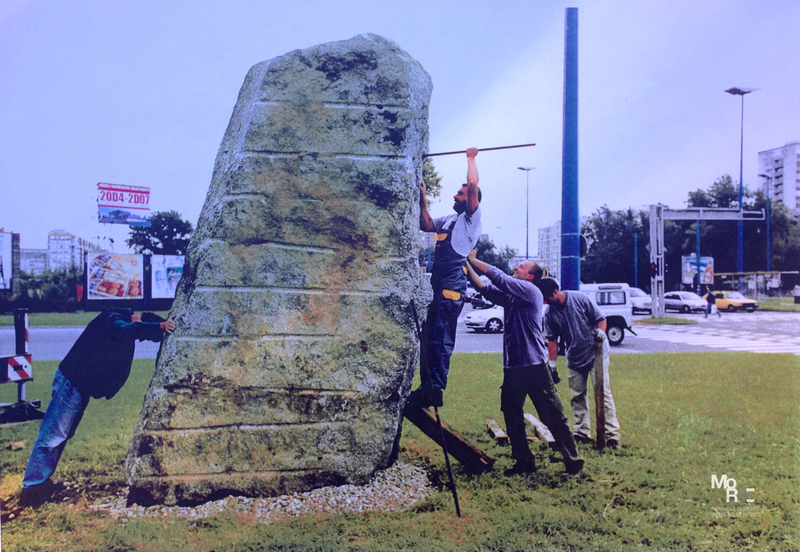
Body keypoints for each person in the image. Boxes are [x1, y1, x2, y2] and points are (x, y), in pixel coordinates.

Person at [19, 308, 176, 508]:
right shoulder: (113, 319)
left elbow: (138, 331)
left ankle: (41, 483)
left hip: (78, 384)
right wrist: (159, 326)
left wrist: (160, 327)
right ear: (134, 317)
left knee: (61, 434)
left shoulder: (122, 322)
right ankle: (31, 489)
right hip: (71, 383)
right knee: (53, 434)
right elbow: (126, 330)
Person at [465, 252, 585, 479]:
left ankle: (574, 464)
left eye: (521, 267)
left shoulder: (531, 292)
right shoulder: (513, 297)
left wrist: (471, 260)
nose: (516, 268)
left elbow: (498, 277)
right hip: (513, 367)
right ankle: (524, 461)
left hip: (534, 366)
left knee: (553, 416)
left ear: (530, 277)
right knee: (511, 413)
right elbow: (484, 288)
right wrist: (465, 264)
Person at [411, 147, 482, 408]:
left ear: (471, 199)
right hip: (439, 287)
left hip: (451, 289)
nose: (455, 194)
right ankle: (428, 386)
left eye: (460, 193)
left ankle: (436, 388)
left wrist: (471, 158)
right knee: (429, 337)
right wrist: (422, 197)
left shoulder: (471, 220)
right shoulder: (451, 219)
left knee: (441, 338)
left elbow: (473, 183)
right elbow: (426, 225)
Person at [538, 278, 621, 449]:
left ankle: (612, 436)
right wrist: (552, 364)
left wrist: (601, 332)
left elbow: (601, 318)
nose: (545, 302)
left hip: (596, 353)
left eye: (547, 297)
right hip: (574, 356)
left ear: (555, 292)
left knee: (603, 395)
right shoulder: (549, 314)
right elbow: (552, 340)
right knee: (577, 396)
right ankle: (582, 432)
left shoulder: (579, 299)